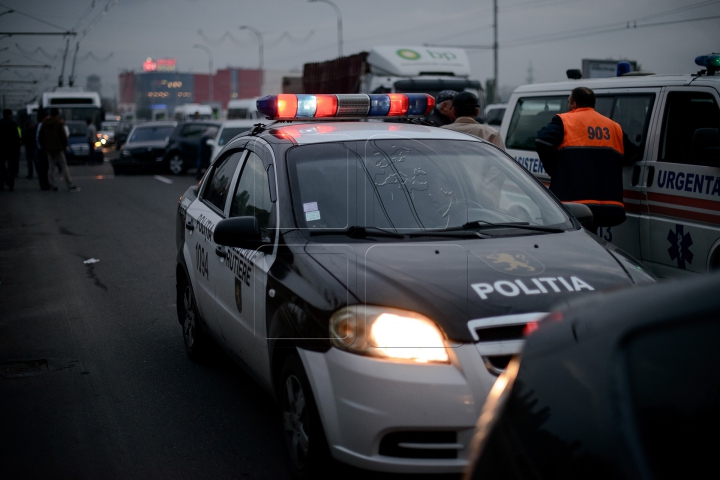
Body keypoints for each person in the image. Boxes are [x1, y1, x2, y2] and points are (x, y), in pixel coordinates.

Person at [535, 86, 625, 230]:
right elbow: (632, 152)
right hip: (608, 205)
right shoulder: (614, 127)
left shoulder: (565, 121)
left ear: (574, 104)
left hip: (573, 202)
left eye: (569, 101)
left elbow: (541, 141)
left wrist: (553, 169)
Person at [39, 108, 80, 192]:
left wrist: (44, 146)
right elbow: (63, 136)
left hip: (49, 149)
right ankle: (69, 184)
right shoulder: (59, 123)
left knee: (51, 167)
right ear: (57, 114)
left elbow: (40, 136)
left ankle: (52, 185)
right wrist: (64, 146)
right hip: (58, 148)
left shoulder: (45, 123)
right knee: (64, 166)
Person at [0, 108, 21, 191]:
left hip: (1, 149)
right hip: (12, 149)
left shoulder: (0, 123)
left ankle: (2, 183)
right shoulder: (14, 124)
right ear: (10, 115)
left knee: (1, 167)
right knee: (12, 168)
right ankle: (11, 185)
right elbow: (17, 138)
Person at [35, 110, 51, 191]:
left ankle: (45, 183)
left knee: (45, 168)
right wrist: (42, 147)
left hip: (42, 149)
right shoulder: (41, 125)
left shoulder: (42, 125)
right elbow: (39, 138)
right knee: (43, 168)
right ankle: (44, 184)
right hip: (42, 150)